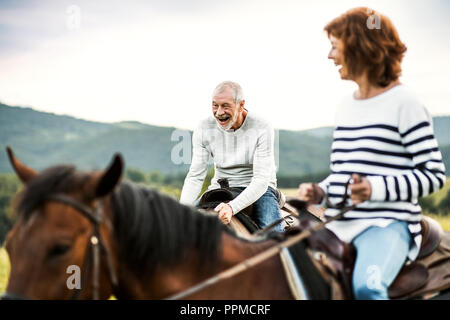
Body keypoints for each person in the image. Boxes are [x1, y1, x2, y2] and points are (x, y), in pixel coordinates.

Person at [297, 7, 446, 299]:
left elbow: (434, 174)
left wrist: (374, 189)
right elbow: (345, 173)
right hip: (338, 224)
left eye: (335, 47)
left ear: (361, 48)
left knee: (367, 288)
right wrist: (321, 192)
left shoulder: (405, 103)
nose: (330, 56)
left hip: (387, 223)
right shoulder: (346, 106)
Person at [180, 81, 284, 232]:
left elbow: (261, 180)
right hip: (220, 186)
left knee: (274, 238)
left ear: (241, 105)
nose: (219, 112)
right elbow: (195, 177)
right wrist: (182, 211)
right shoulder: (204, 127)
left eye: (225, 106)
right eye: (215, 105)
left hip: (259, 189)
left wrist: (231, 207)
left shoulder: (262, 126)